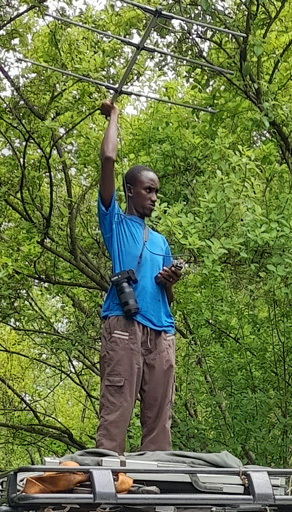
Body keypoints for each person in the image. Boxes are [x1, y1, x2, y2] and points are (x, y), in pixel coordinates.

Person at [96, 99, 184, 454]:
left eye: (157, 192)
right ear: (130, 190)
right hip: (123, 329)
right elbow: (108, 160)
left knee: (159, 420)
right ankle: (106, 494)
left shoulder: (160, 240)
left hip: (162, 333)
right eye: (148, 190)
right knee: (117, 411)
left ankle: (157, 491)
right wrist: (114, 115)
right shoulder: (115, 223)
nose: (154, 198)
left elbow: (167, 297)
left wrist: (168, 282)